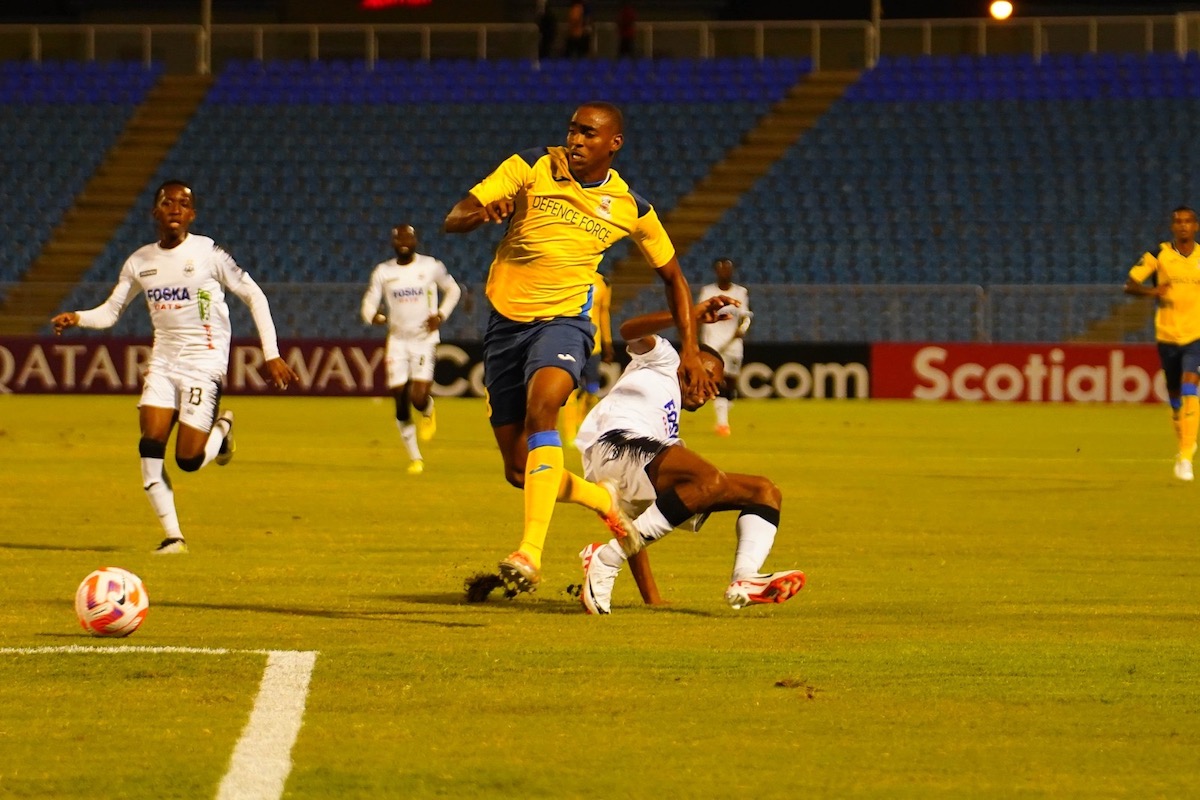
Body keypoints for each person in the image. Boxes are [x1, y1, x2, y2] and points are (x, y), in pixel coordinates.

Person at [443, 100, 715, 596]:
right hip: (505, 327)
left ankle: (529, 554)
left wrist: (691, 351)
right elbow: (453, 217)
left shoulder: (632, 207)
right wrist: (484, 212)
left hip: (566, 323)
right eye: (572, 131)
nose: (576, 140)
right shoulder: (531, 165)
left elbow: (674, 278)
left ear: (614, 143)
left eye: (589, 133)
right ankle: (602, 500)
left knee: (543, 408)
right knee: (519, 471)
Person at [51, 180, 298, 553]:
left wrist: (272, 352)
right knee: (150, 443)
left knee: (187, 460)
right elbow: (112, 311)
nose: (175, 208)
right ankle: (173, 537)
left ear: (192, 214)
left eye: (183, 203)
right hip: (164, 363)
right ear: (156, 211)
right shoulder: (140, 262)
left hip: (204, 364)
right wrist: (78, 317)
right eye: (168, 202)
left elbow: (254, 294)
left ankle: (223, 430)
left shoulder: (208, 252)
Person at [574, 294, 805, 614]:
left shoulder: (667, 433)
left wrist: (652, 600)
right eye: (710, 377)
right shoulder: (664, 358)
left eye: (717, 387)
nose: (712, 390)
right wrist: (689, 318)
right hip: (614, 443)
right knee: (706, 479)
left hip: (633, 458)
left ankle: (744, 578)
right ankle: (607, 557)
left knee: (763, 491)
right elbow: (629, 329)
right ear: (690, 361)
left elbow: (630, 525)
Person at [360, 223, 461, 475]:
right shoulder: (384, 272)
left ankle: (427, 410)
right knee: (400, 401)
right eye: (399, 237)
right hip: (397, 341)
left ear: (416, 240)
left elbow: (454, 290)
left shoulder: (430, 267)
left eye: (409, 237)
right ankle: (415, 458)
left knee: (417, 398)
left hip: (424, 339)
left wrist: (441, 314)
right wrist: (372, 316)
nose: (404, 241)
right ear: (393, 242)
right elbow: (369, 303)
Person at [1125, 205, 1200, 481]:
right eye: (1178, 221)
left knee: (1191, 385)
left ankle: (1185, 459)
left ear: (1196, 226)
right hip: (1167, 336)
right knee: (1176, 400)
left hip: (1196, 337)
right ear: (1173, 227)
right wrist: (1152, 291)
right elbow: (1130, 284)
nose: (1183, 226)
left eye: (1188, 221)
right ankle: (1185, 445)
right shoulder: (1159, 254)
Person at [697, 257, 752, 437]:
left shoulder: (740, 292)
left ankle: (724, 413)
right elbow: (698, 316)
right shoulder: (707, 292)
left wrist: (742, 329)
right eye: (721, 268)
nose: (724, 272)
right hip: (713, 344)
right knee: (717, 382)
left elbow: (746, 316)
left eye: (727, 268)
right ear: (716, 271)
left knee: (731, 383)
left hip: (733, 344)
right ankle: (722, 423)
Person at [560, 271, 614, 447]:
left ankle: (582, 421)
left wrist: (607, 341)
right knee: (570, 390)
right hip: (571, 344)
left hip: (594, 346)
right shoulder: (568, 278)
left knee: (592, 390)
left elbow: (604, 313)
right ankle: (569, 434)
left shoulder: (603, 282)